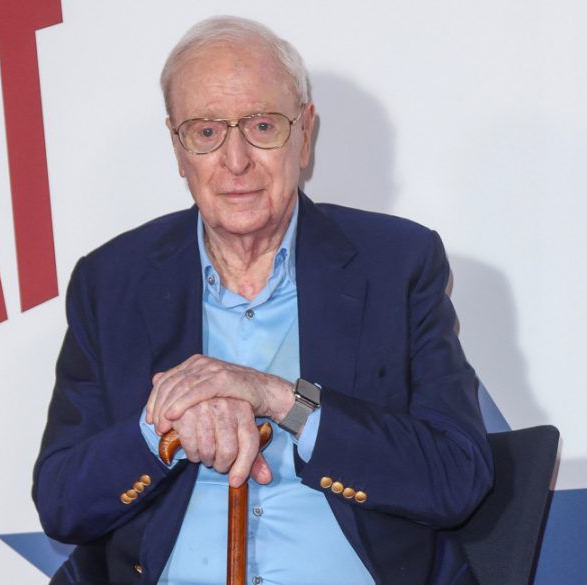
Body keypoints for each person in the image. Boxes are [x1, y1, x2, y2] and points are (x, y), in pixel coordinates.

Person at [33, 15, 493, 585]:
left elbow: (455, 477)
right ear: (178, 151)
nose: (235, 161)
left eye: (261, 126)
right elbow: (60, 501)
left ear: (305, 132)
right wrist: (166, 426)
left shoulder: (396, 264)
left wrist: (278, 398)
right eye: (206, 132)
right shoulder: (112, 282)